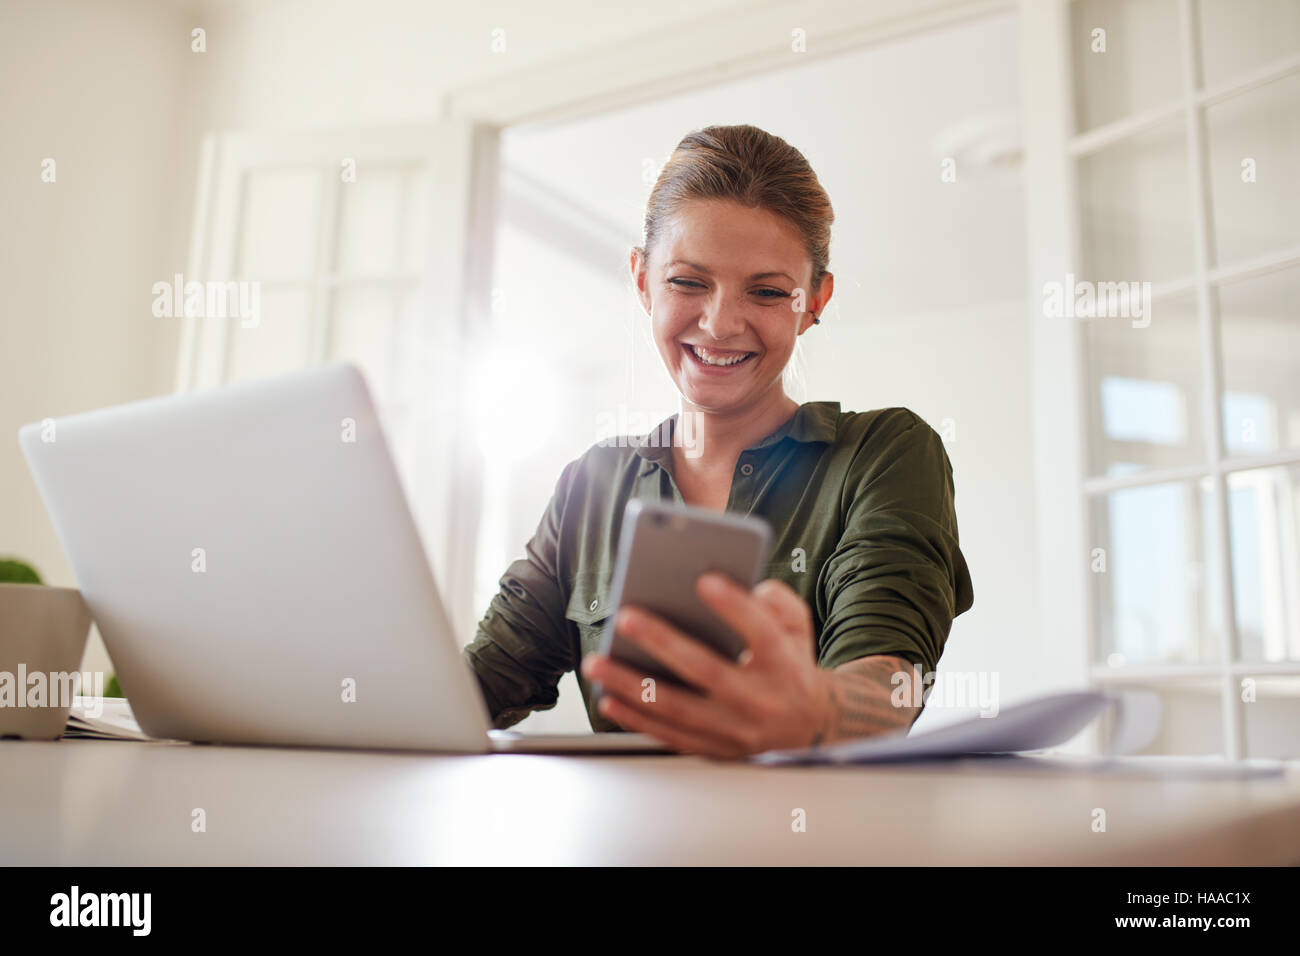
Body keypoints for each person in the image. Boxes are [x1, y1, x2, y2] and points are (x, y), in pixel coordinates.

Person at [463, 124, 973, 759]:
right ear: (643, 280)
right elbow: (478, 687)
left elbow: (893, 681)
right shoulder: (591, 485)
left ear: (814, 300)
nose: (721, 323)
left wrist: (817, 711)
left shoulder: (885, 453)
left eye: (765, 291)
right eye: (687, 282)